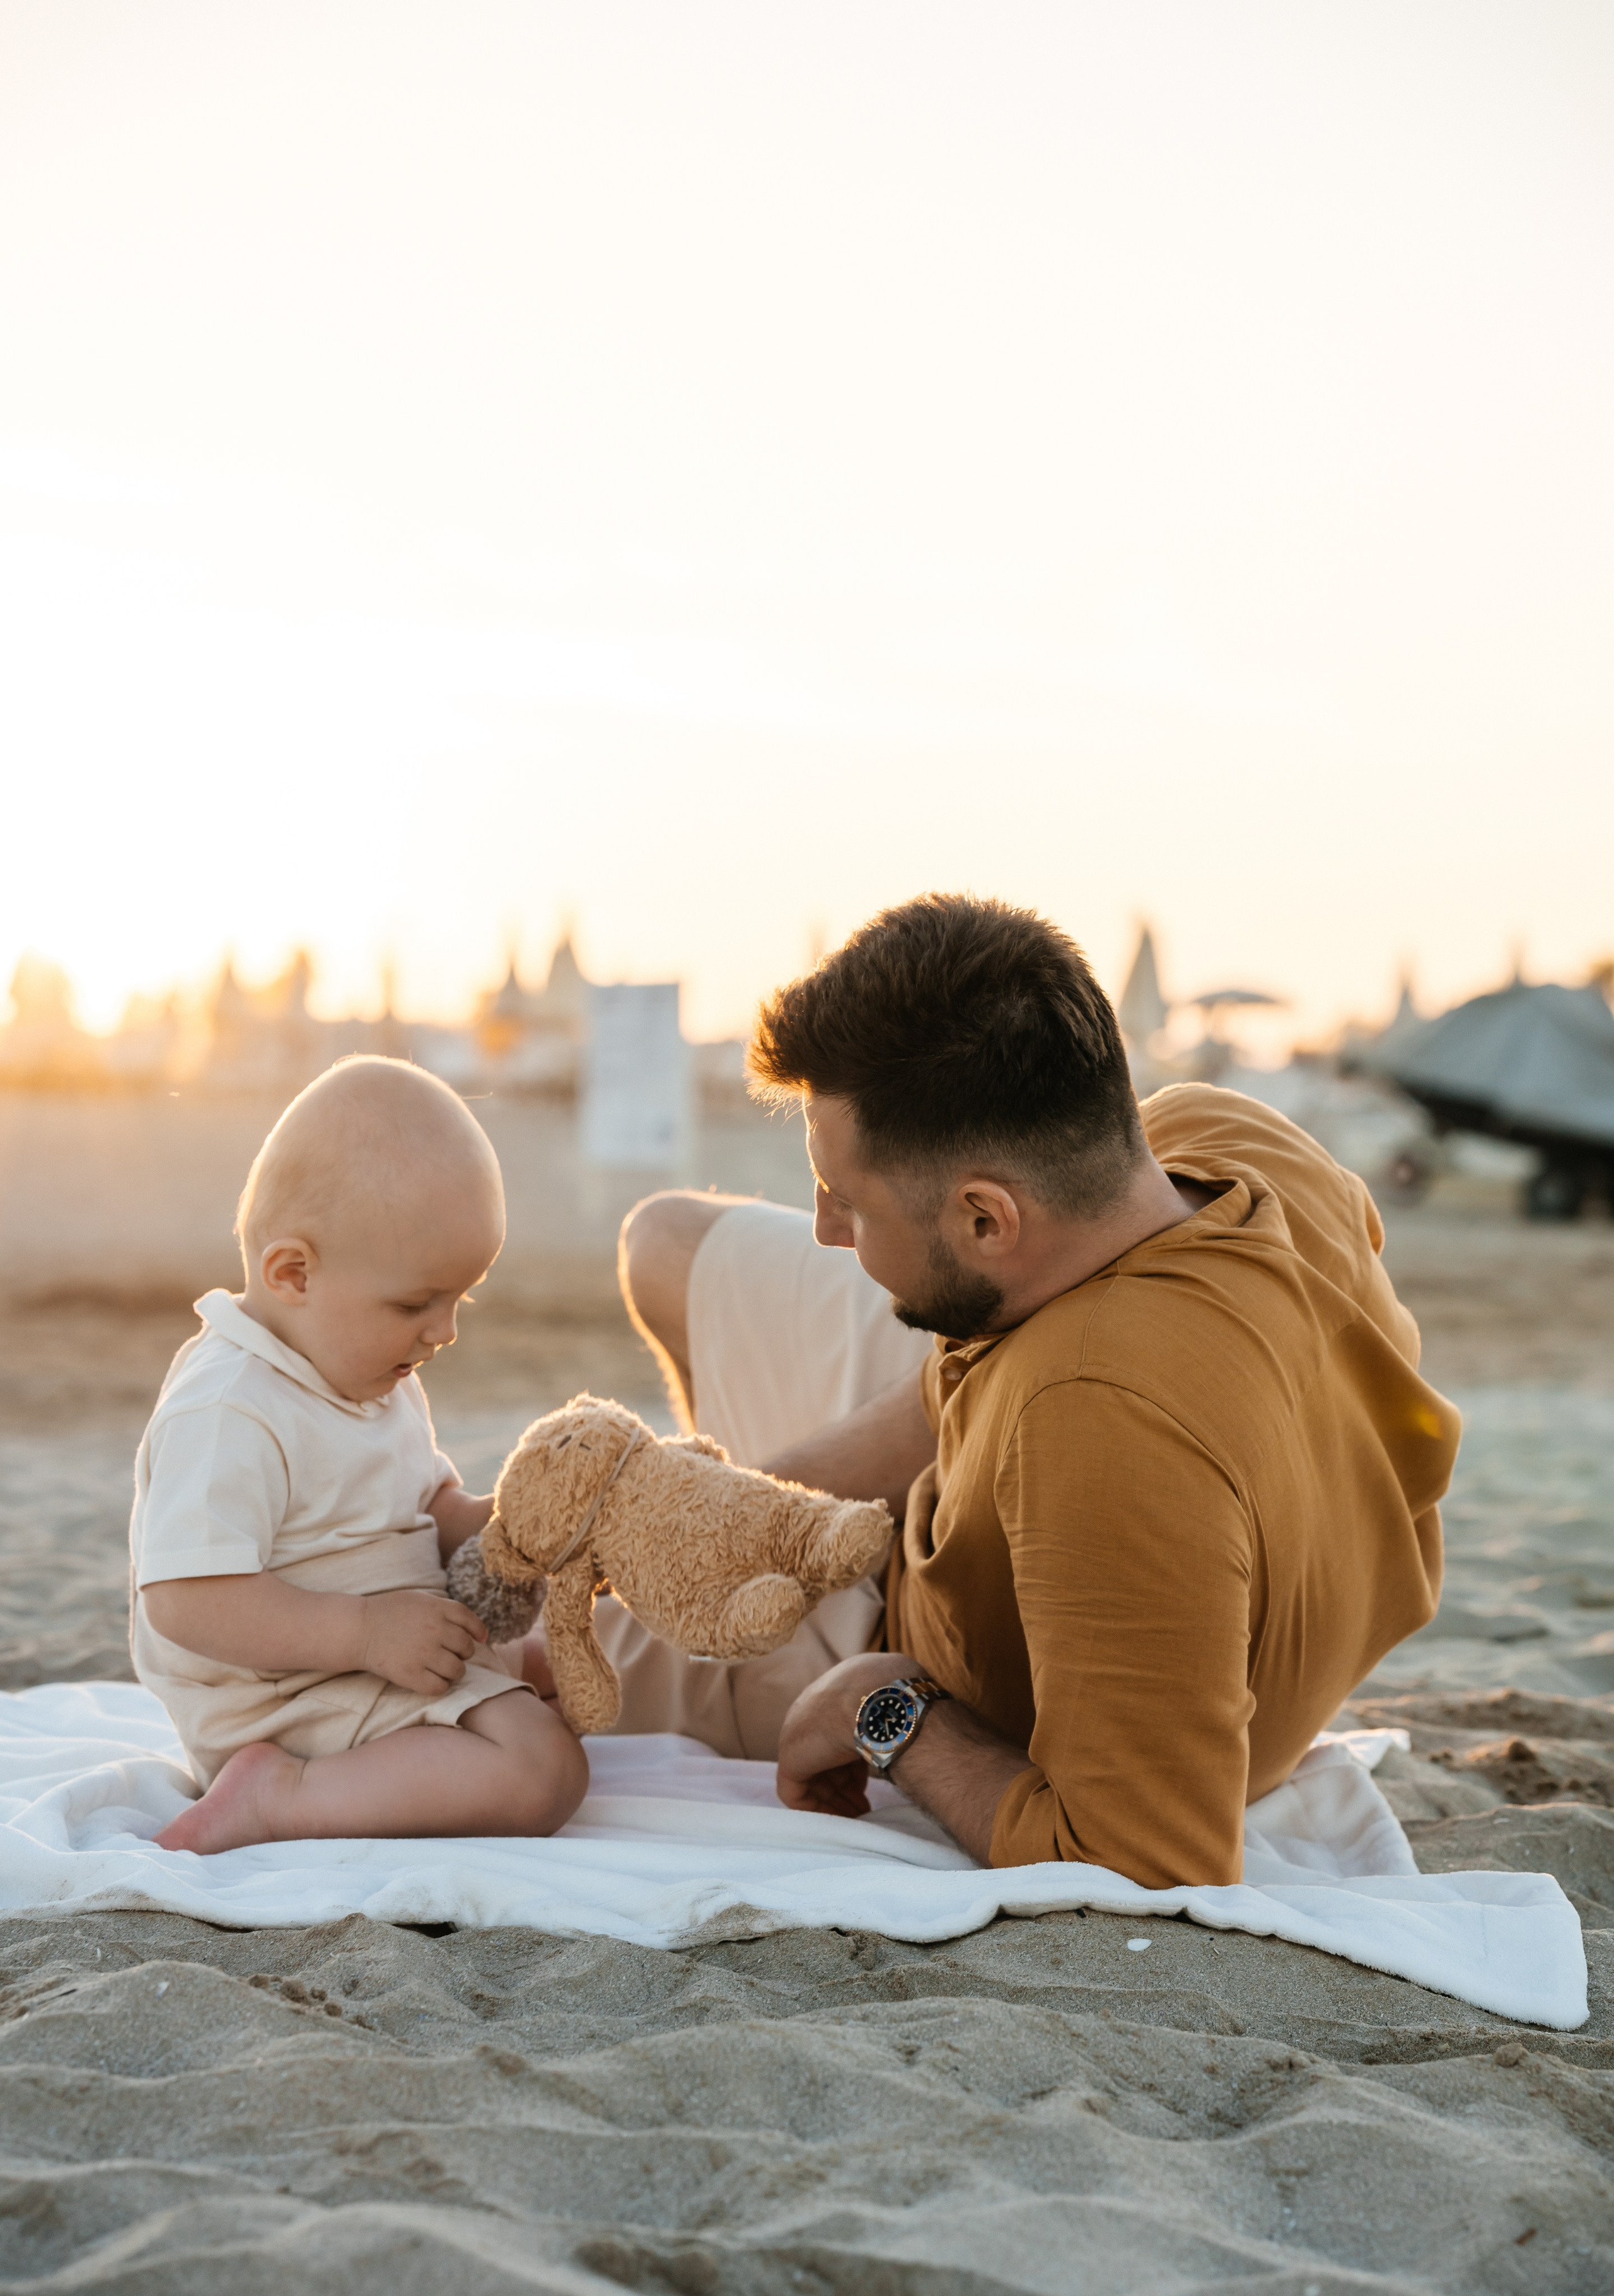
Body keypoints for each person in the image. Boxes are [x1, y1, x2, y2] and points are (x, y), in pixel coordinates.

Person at [617, 894, 1460, 1889]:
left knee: (523, 1657)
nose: (824, 1228)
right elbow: (953, 1388)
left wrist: (884, 1706)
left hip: (900, 1629)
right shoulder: (1222, 1141)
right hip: (1030, 1433)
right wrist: (742, 1508)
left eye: (848, 1199)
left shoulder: (1097, 1424)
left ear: (985, 1219)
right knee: (667, 1243)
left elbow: (1146, 1857)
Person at [137, 1057, 587, 1855]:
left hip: (376, 1653)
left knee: (565, 1667)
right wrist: (364, 1634)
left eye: (461, 1298)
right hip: (284, 1696)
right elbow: (185, 1598)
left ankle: (420, 1754)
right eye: (416, 1302)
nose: (444, 1329)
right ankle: (281, 1796)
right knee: (543, 1769)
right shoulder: (230, 1405)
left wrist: (510, 1526)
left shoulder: (371, 1370)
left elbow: (425, 1509)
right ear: (293, 1272)